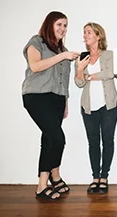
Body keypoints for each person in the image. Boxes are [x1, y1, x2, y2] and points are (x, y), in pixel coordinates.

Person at [22, 11, 79, 200]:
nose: (62, 29)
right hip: (36, 96)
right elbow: (35, 66)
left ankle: (52, 179)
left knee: (49, 139)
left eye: (65, 25)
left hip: (57, 98)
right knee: (57, 138)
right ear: (49, 25)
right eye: (59, 24)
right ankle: (43, 185)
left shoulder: (64, 50)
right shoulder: (36, 42)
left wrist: (66, 102)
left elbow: (65, 80)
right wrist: (62, 57)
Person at [74, 23, 117, 194]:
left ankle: (104, 177)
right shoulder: (81, 58)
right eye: (84, 32)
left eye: (89, 32)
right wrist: (79, 69)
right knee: (93, 142)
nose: (85, 35)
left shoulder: (108, 55)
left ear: (98, 36)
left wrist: (88, 76)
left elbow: (109, 73)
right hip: (88, 106)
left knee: (108, 141)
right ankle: (95, 177)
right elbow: (78, 83)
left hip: (108, 106)